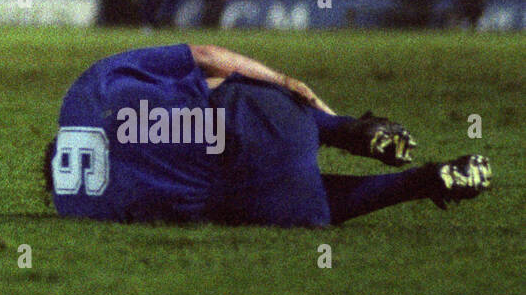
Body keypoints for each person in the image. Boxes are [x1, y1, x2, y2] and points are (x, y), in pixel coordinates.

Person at [44, 43, 491, 226]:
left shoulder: (79, 209)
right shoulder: (83, 92)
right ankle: (349, 128)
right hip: (264, 114)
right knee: (225, 100)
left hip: (261, 188)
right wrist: (283, 80)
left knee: (292, 197)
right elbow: (202, 54)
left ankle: (423, 182)